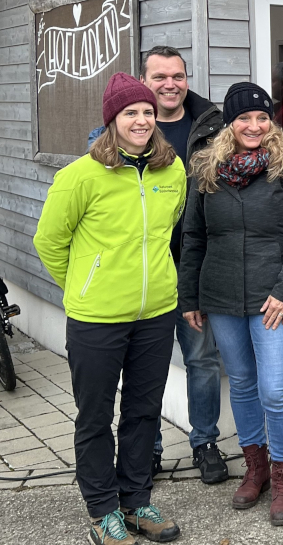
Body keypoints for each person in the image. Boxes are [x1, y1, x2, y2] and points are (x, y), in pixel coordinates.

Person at [34, 73, 186, 545]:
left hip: (156, 313)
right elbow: (49, 243)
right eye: (129, 113)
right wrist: (84, 287)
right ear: (112, 121)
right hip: (97, 318)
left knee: (144, 411)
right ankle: (103, 510)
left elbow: (167, 233)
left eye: (146, 112)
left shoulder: (172, 170)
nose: (141, 120)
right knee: (95, 416)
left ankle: (137, 500)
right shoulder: (80, 175)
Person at [179, 82, 283, 526]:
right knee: (240, 382)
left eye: (262, 118)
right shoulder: (206, 168)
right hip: (220, 293)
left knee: (275, 389)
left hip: (272, 296)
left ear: (271, 121)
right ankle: (255, 468)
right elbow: (193, 236)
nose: (254, 126)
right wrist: (190, 296)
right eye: (244, 118)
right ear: (230, 123)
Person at [88, 45, 227, 484]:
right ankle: (146, 449)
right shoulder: (109, 136)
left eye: (178, 76)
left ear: (187, 78)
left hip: (195, 270)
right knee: (144, 367)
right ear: (143, 82)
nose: (170, 84)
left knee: (202, 361)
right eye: (160, 76)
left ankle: (204, 441)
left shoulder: (212, 125)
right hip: (138, 274)